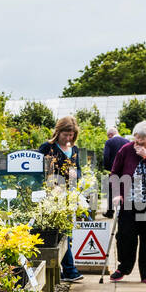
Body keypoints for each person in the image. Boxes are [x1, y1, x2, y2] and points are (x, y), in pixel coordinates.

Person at [108, 120, 146, 285]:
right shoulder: (125, 150)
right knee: (126, 236)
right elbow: (115, 173)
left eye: (143, 138)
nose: (139, 142)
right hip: (129, 201)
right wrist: (117, 194)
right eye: (136, 137)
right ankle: (123, 267)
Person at [39, 116, 83, 282]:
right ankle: (70, 270)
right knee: (62, 231)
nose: (68, 138)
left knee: (67, 232)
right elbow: (39, 171)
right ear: (58, 132)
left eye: (71, 135)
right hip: (53, 195)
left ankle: (64, 271)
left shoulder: (74, 149)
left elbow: (78, 170)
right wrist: (52, 183)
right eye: (66, 134)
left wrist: (75, 175)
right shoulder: (47, 147)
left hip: (69, 194)